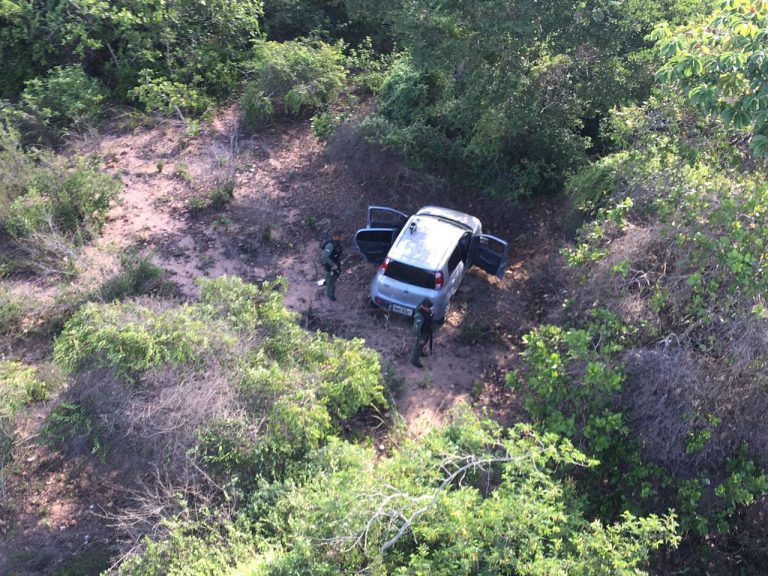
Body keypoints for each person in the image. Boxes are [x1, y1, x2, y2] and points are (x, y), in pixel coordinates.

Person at [321, 230, 344, 301]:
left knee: (333, 279)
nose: (343, 237)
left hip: (336, 265)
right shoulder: (330, 245)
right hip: (331, 267)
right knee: (330, 283)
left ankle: (328, 283)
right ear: (337, 237)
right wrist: (333, 265)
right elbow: (325, 257)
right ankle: (330, 296)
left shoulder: (337, 243)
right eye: (342, 236)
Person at [410, 298, 434, 368]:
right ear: (424, 306)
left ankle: (420, 353)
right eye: (429, 307)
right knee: (418, 346)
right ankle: (414, 361)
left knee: (422, 345)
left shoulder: (425, 310)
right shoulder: (419, 316)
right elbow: (416, 329)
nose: (430, 309)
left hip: (426, 331)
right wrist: (420, 338)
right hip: (421, 333)